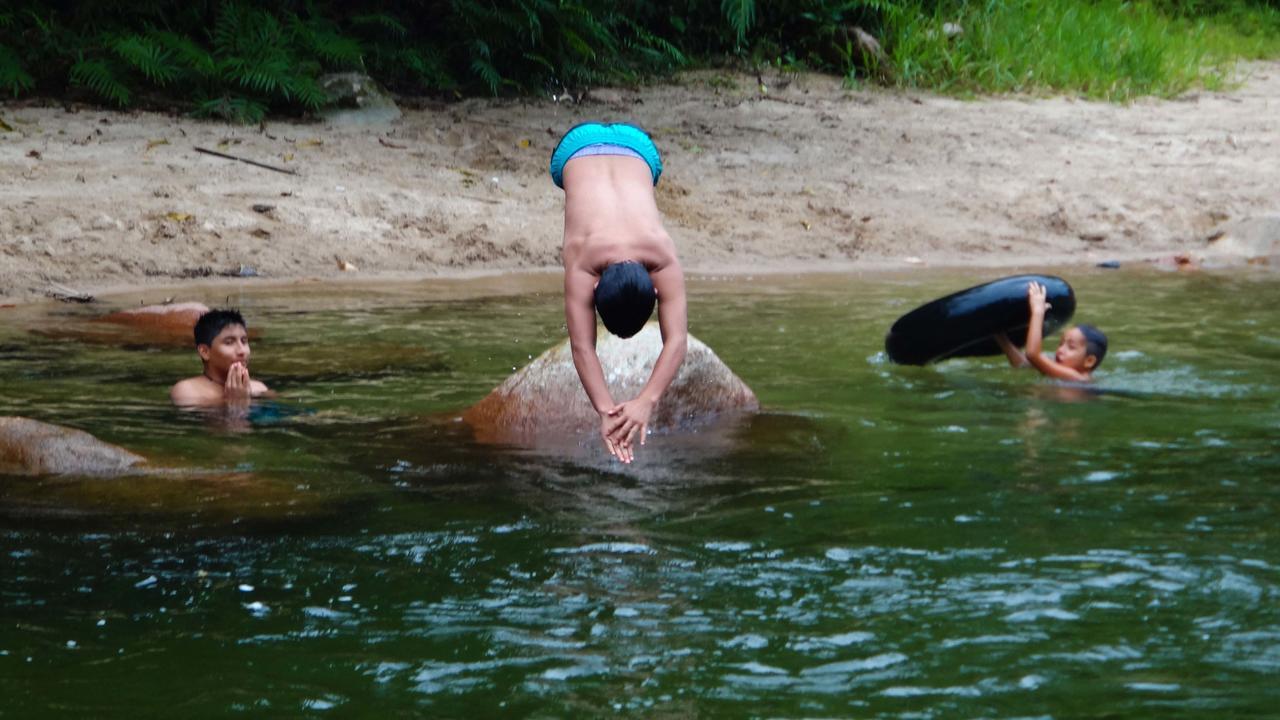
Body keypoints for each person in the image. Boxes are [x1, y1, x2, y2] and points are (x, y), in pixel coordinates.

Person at [551, 122, 688, 463]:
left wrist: (615, 408)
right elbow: (677, 341)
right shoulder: (588, 262)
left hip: (637, 145)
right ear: (657, 290)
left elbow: (584, 348)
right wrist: (633, 405)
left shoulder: (657, 256)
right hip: (575, 148)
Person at [995, 281, 1107, 382]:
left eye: (1071, 347)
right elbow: (1022, 364)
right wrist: (1000, 336)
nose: (1060, 350)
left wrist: (1038, 311)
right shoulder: (1059, 368)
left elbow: (1032, 354)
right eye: (1061, 344)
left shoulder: (1076, 377)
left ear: (1089, 361)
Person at [170, 308, 270, 406]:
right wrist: (238, 402)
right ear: (205, 352)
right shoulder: (189, 391)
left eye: (244, 341)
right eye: (229, 342)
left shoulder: (260, 388)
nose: (242, 351)